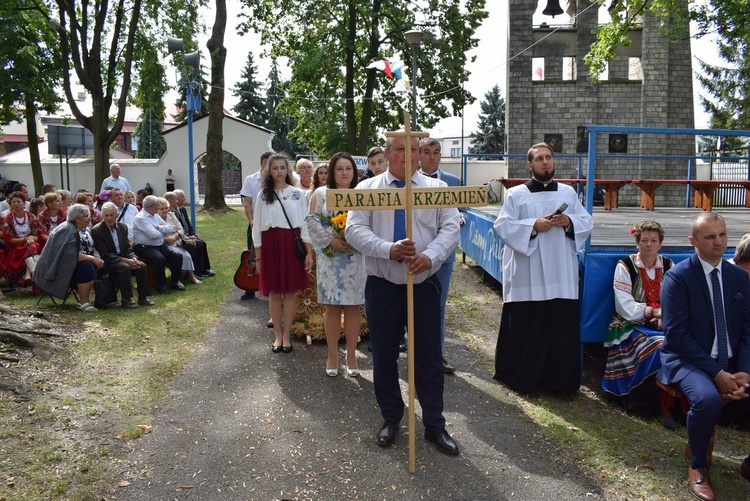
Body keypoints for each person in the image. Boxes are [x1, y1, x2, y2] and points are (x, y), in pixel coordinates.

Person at [346, 134, 461, 456]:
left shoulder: (436, 191)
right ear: (387, 153)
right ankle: (391, 418)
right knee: (383, 356)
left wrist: (431, 256)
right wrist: (389, 249)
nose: (407, 156)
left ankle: (435, 425)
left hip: (424, 285)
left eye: (413, 150)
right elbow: (354, 230)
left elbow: (451, 229)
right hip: (382, 286)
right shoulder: (367, 190)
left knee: (428, 357)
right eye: (400, 150)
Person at [659, 212, 750, 501]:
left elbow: (748, 328)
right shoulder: (678, 277)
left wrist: (745, 370)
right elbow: (677, 335)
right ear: (693, 241)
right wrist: (717, 374)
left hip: (734, 362)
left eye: (722, 234)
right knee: (707, 398)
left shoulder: (739, 276)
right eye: (710, 236)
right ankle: (698, 466)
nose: (719, 241)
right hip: (688, 360)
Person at [493, 142, 593, 394]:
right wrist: (532, 225)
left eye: (549, 157)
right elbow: (502, 227)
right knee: (530, 328)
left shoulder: (568, 193)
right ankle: (523, 378)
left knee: (559, 329)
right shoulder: (516, 194)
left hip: (560, 272)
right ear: (530, 164)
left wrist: (568, 220)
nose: (545, 162)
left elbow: (586, 221)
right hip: (529, 273)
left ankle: (561, 383)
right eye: (539, 158)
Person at [602, 221, 677, 427]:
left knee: (680, 344)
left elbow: (676, 299)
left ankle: (673, 403)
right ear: (637, 242)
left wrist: (665, 315)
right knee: (658, 347)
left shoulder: (669, 266)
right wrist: (651, 311)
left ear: (660, 244)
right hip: (630, 323)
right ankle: (649, 401)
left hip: (662, 322)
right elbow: (623, 304)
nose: (649, 245)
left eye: (654, 241)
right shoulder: (625, 265)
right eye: (644, 240)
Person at [307, 152, 365, 377]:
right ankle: (332, 354)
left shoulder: (361, 194)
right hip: (330, 257)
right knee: (331, 307)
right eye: (339, 168)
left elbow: (371, 221)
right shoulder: (321, 194)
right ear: (332, 172)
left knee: (353, 306)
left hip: (355, 257)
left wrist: (355, 239)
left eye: (348, 168)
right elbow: (312, 222)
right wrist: (332, 240)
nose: (344, 173)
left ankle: (351, 355)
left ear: (354, 171)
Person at [253, 154, 312, 353]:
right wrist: (259, 256)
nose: (279, 171)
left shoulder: (297, 194)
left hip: (291, 243)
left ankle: (287, 335)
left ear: (288, 170)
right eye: (275, 168)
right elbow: (257, 228)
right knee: (274, 292)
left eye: (282, 167)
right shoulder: (263, 195)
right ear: (269, 171)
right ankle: (277, 335)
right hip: (270, 245)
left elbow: (305, 224)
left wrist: (308, 252)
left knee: (289, 292)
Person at [419, 137, 462, 373]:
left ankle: (437, 356)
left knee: (438, 307)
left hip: (443, 258)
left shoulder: (452, 182)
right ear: (419, 155)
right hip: (415, 255)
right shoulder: (407, 181)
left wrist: (459, 220)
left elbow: (462, 211)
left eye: (436, 152)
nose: (432, 157)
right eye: (427, 152)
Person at [34, 204, 105, 312]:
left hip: (78, 263)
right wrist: (92, 259)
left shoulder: (84, 229)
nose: (89, 218)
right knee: (86, 267)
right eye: (87, 216)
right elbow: (71, 255)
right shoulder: (67, 230)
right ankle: (84, 302)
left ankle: (106, 299)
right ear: (77, 219)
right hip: (56, 270)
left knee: (107, 265)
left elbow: (91, 246)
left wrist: (97, 256)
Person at [91, 202, 154, 308]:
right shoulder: (97, 230)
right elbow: (104, 254)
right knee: (124, 267)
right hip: (109, 261)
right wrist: (126, 261)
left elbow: (127, 247)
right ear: (102, 216)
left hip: (124, 257)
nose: (109, 218)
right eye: (106, 215)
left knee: (141, 265)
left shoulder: (122, 227)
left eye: (111, 215)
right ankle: (126, 299)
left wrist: (133, 258)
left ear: (117, 215)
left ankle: (143, 297)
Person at [132, 195, 185, 294]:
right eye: (158, 205)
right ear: (152, 206)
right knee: (159, 259)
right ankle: (161, 285)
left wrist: (159, 228)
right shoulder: (141, 218)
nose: (159, 207)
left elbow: (170, 228)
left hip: (159, 245)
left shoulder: (155, 215)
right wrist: (162, 230)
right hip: (144, 247)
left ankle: (175, 281)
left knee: (177, 256)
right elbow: (152, 235)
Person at [239, 151, 274, 300]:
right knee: (252, 254)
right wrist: (251, 220)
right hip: (255, 222)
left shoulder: (277, 181)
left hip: (272, 223)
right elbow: (247, 203)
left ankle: (269, 287)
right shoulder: (251, 180)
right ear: (262, 164)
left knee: (271, 256)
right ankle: (250, 287)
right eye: (268, 166)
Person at [1, 190, 45, 287]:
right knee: (31, 247)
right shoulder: (8, 219)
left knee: (33, 245)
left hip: (31, 243)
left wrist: (32, 238)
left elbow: (37, 233)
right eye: (13, 202)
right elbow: (9, 240)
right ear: (10, 204)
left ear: (24, 203)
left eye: (18, 201)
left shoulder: (30, 216)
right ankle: (32, 276)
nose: (16, 204)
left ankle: (28, 274)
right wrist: (25, 240)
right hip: (16, 246)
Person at [156, 197, 202, 285]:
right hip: (165, 244)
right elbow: (156, 234)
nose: (165, 210)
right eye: (162, 209)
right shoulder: (155, 219)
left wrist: (174, 236)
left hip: (177, 241)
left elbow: (180, 229)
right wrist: (168, 238)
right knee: (182, 255)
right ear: (156, 209)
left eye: (166, 208)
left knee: (189, 253)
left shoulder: (171, 215)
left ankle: (191, 276)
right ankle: (183, 277)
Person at [172, 189, 214, 278]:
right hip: (181, 237)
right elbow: (177, 228)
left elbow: (188, 224)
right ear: (177, 198)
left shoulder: (182, 209)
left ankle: (204, 269)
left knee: (202, 243)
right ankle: (195, 272)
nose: (185, 198)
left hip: (187, 235)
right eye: (182, 197)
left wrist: (193, 234)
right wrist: (187, 237)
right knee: (195, 244)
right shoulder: (173, 212)